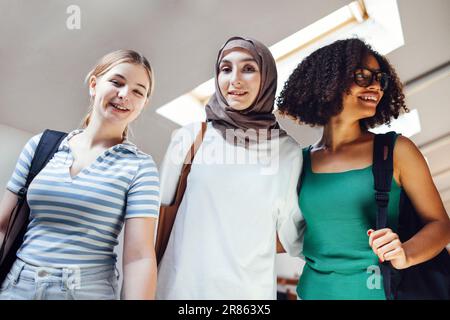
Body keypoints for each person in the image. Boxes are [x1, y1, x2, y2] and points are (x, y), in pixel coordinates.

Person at [277, 38, 450, 300]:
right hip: (312, 294)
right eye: (362, 75)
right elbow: (291, 234)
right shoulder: (299, 162)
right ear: (329, 81)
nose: (376, 86)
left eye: (381, 79)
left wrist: (406, 254)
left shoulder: (396, 151)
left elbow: (440, 224)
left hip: (379, 294)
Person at [0, 50, 160, 300]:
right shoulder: (41, 145)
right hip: (15, 289)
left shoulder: (140, 167)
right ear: (94, 85)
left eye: (138, 91)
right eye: (117, 82)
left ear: (143, 105)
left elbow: (139, 257)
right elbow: (3, 225)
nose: (124, 94)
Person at [156, 36, 304, 299]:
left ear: (267, 78)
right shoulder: (189, 137)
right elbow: (154, 219)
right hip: (179, 290)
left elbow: (293, 237)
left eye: (248, 69)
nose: (234, 79)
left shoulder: (287, 151)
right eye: (226, 69)